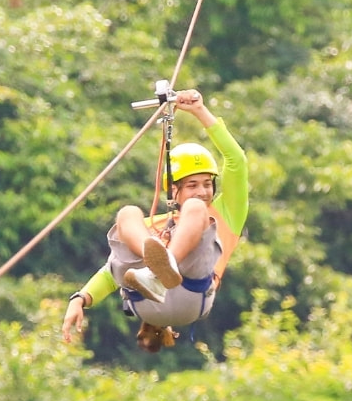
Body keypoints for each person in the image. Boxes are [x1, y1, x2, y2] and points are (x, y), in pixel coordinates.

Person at [61, 88, 249, 352]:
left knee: (196, 209)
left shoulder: (225, 214)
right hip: (146, 303)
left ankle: (161, 268)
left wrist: (199, 111)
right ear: (173, 190)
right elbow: (110, 273)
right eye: (192, 185)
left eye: (207, 184)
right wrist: (80, 298)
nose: (203, 191)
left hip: (191, 296)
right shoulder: (150, 228)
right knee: (128, 214)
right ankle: (155, 273)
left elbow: (236, 161)